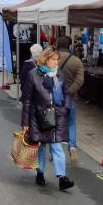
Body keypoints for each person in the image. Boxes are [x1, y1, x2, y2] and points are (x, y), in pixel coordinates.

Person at [21, 46, 74, 191]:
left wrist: (65, 108)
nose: (56, 63)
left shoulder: (60, 74)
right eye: (53, 59)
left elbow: (67, 93)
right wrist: (25, 123)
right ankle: (40, 172)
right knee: (42, 146)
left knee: (57, 146)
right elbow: (26, 100)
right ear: (45, 59)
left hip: (57, 116)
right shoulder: (33, 75)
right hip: (38, 117)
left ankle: (62, 177)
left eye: (57, 60)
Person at [56, 36, 84, 163]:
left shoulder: (51, 59)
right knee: (71, 123)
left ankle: (55, 150)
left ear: (57, 44)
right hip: (70, 97)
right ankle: (72, 147)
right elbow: (80, 81)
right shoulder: (76, 61)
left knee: (55, 123)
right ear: (70, 46)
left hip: (54, 96)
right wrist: (69, 91)